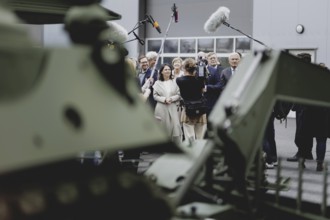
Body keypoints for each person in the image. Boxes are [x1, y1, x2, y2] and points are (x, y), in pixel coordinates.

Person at [176, 58, 207, 142]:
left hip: (188, 109)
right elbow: (203, 88)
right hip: (200, 109)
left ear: (184, 67)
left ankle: (191, 153)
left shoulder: (179, 80)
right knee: (201, 138)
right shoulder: (200, 80)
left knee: (189, 138)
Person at [153, 64, 182, 143]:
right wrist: (164, 99)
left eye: (169, 69)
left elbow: (179, 94)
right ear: (161, 72)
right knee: (163, 126)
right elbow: (155, 96)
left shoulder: (175, 81)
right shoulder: (157, 83)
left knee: (175, 126)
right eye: (165, 69)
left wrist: (171, 99)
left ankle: (175, 144)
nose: (168, 71)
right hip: (161, 107)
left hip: (173, 106)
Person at [205, 52, 224, 116]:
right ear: (207, 60)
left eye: (214, 58)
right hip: (207, 100)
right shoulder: (204, 70)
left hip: (220, 98)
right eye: (211, 58)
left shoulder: (223, 70)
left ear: (217, 59)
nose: (213, 59)